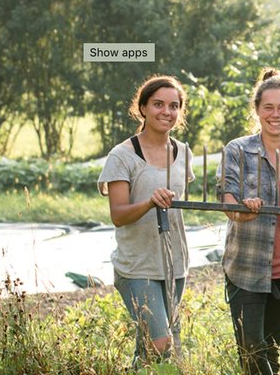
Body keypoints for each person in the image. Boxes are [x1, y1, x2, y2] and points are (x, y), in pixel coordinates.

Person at [218, 69, 280, 374]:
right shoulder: (238, 150)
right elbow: (228, 201)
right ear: (257, 110)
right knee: (251, 351)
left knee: (271, 349)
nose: (276, 115)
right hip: (247, 267)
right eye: (268, 108)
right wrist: (244, 210)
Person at [97, 75, 193, 367]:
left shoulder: (183, 153)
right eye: (158, 104)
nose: (167, 111)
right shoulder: (122, 156)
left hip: (175, 262)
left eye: (174, 106)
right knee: (160, 342)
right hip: (138, 265)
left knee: (158, 350)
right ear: (142, 108)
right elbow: (118, 215)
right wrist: (150, 201)